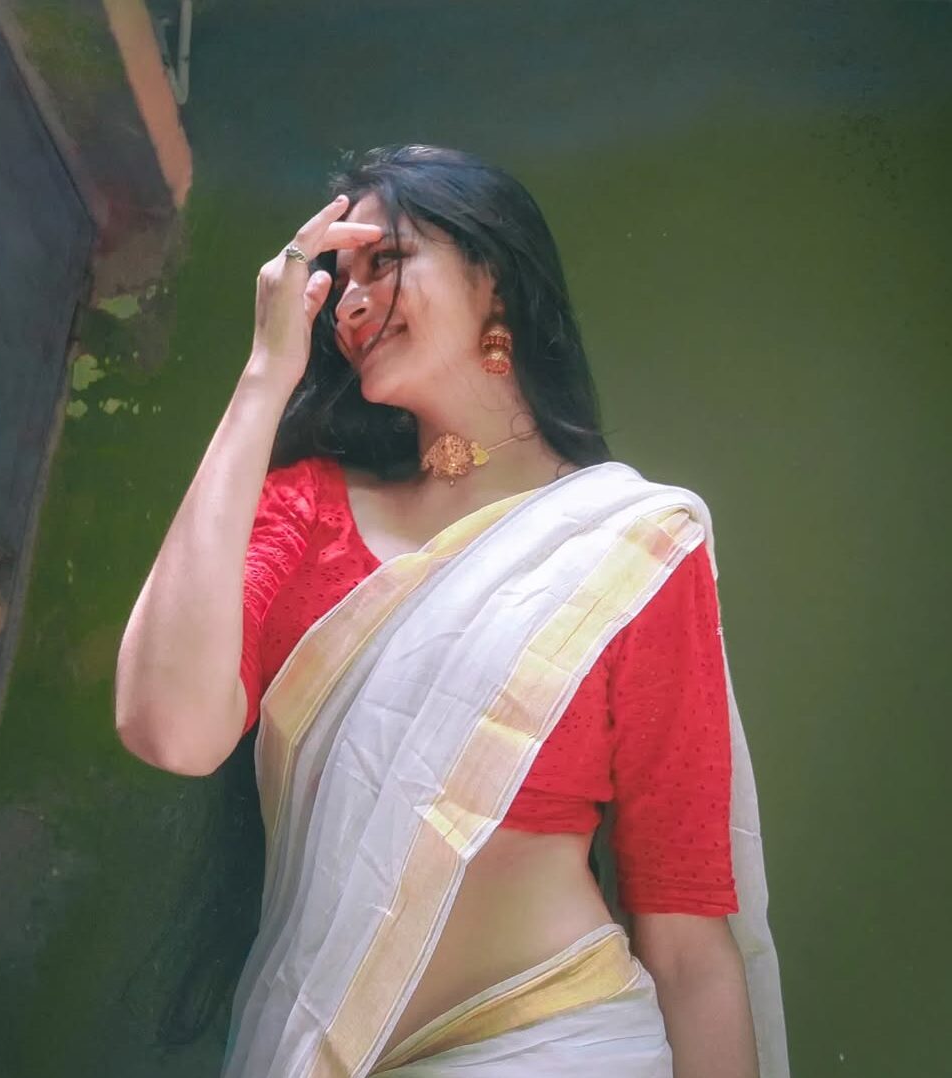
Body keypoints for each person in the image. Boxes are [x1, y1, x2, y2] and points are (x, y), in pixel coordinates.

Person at [115, 145, 788, 1077]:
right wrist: (264, 375)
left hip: (564, 1046)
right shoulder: (305, 510)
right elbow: (170, 729)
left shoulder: (628, 546)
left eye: (386, 261)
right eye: (337, 279)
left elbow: (685, 941)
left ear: (492, 274)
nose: (350, 303)